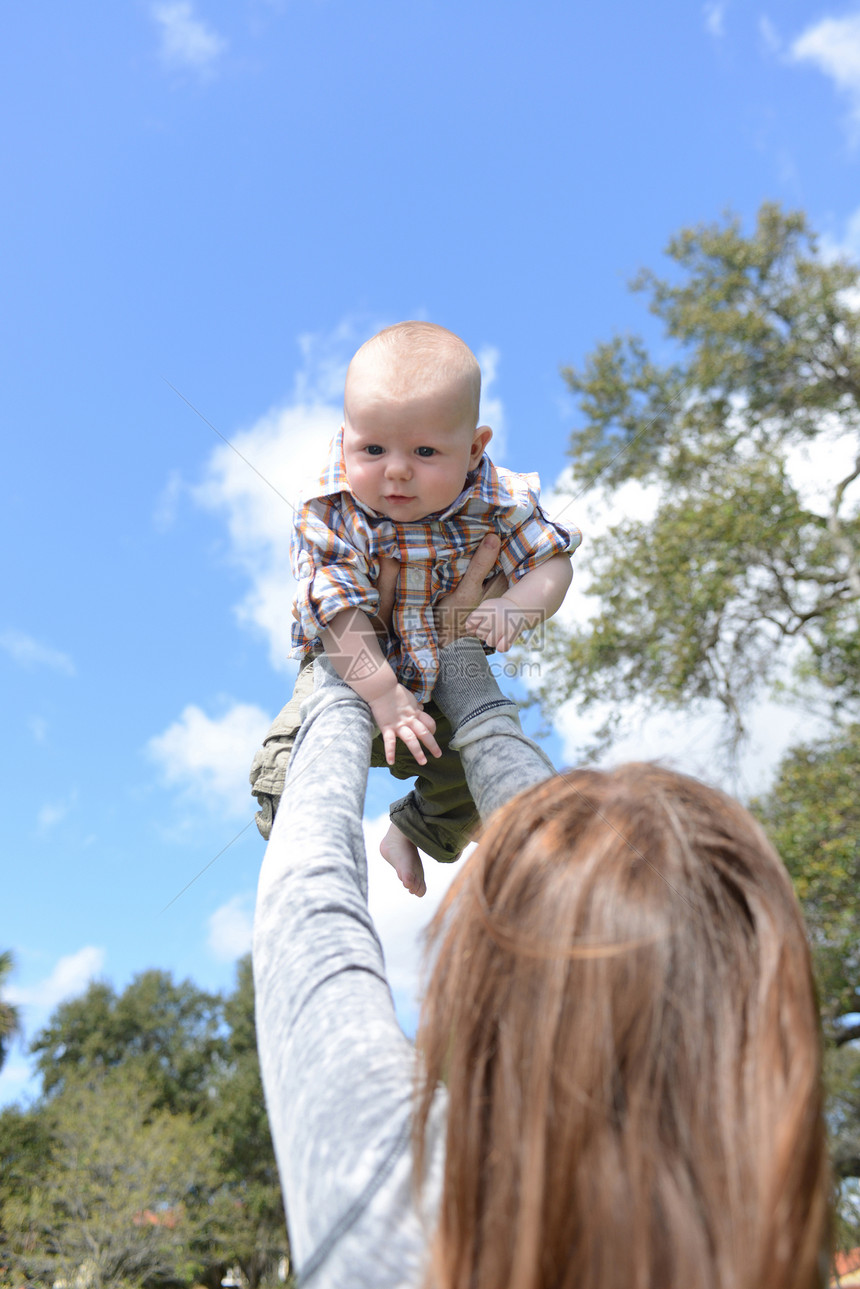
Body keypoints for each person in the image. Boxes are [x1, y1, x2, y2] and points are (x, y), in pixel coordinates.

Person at [252, 557, 830, 1289]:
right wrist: (459, 659)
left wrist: (343, 672)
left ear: (481, 997)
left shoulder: (403, 1205)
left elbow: (309, 900)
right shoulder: (778, 1248)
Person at [249, 320, 580, 897]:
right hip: (349, 659)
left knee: (466, 785)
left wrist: (519, 608)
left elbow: (553, 562)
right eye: (373, 448)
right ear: (346, 433)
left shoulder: (496, 500)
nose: (396, 469)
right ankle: (296, 844)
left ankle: (413, 830)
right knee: (295, 747)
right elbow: (336, 610)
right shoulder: (332, 507)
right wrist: (381, 693)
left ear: (475, 448)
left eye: (426, 451)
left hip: (444, 670)